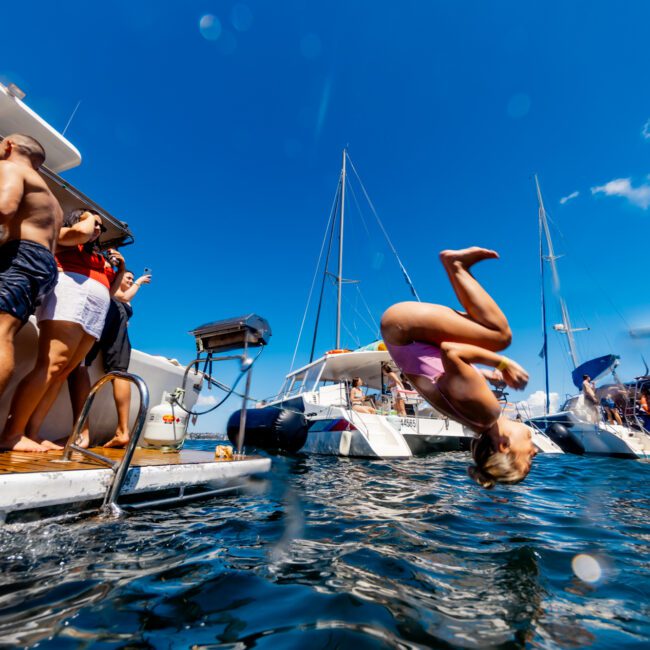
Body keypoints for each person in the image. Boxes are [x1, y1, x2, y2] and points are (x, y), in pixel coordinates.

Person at [380, 247, 535, 488]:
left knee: (500, 336)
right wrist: (481, 374)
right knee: (482, 328)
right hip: (400, 333)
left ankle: (456, 265)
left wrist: (503, 363)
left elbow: (451, 351)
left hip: (404, 327)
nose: (535, 452)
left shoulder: (487, 413)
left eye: (529, 460)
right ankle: (457, 268)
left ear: (504, 446)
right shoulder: (476, 421)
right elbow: (439, 372)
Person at [0, 209, 124, 451]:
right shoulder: (66, 234)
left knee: (63, 371)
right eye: (94, 223)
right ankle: (12, 433)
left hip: (94, 309)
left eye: (101, 227)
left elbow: (109, 291)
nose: (97, 229)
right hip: (70, 298)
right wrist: (88, 220)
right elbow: (80, 232)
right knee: (51, 364)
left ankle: (32, 433)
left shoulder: (96, 256)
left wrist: (119, 271)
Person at [0, 135, 62, 451]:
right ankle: (11, 435)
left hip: (21, 256)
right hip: (41, 264)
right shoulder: (50, 197)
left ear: (9, 146)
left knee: (1, 332)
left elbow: (4, 207)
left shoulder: (11, 167)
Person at [70, 268, 151, 448]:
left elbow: (124, 297)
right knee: (119, 372)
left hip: (107, 316)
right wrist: (138, 281)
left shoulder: (117, 295)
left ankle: (82, 434)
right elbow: (125, 297)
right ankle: (123, 431)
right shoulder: (120, 296)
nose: (131, 281)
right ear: (117, 278)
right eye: (127, 278)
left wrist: (136, 281)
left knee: (80, 365)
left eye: (132, 279)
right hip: (116, 323)